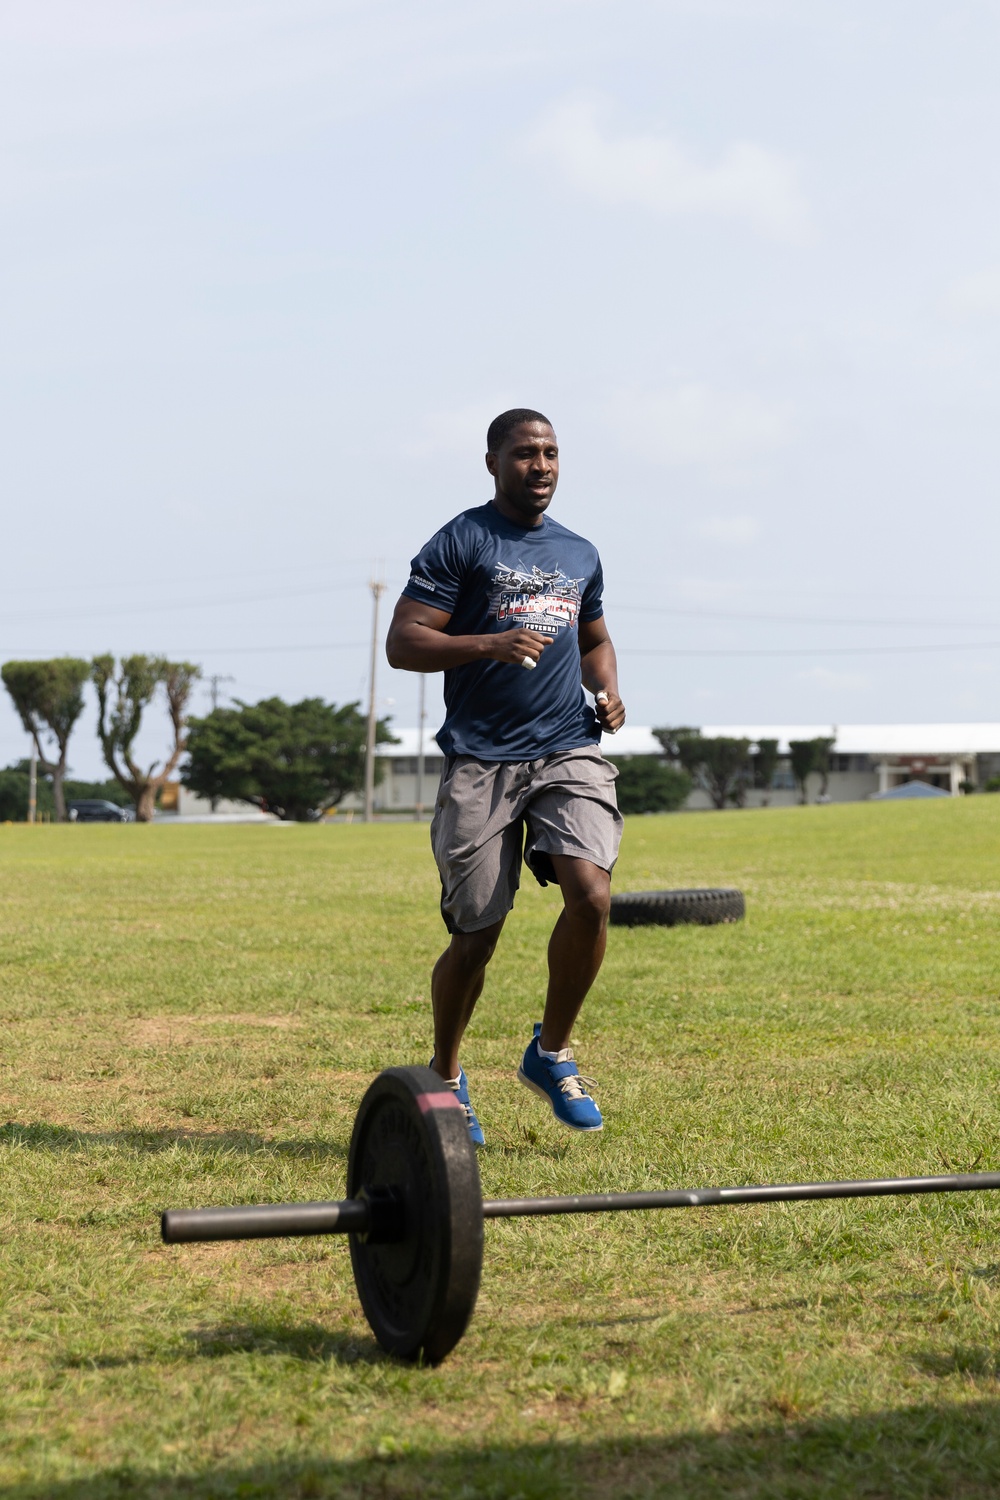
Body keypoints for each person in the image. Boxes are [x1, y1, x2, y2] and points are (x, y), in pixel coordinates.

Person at [385, 408, 626, 1144]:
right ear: (492, 462)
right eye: (526, 453)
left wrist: (607, 688)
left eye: (552, 452)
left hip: (565, 747)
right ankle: (447, 1076)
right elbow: (403, 642)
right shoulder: (463, 539)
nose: (542, 465)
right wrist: (486, 642)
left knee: (591, 893)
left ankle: (551, 1053)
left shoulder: (581, 552)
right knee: (477, 934)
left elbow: (596, 638)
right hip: (482, 760)